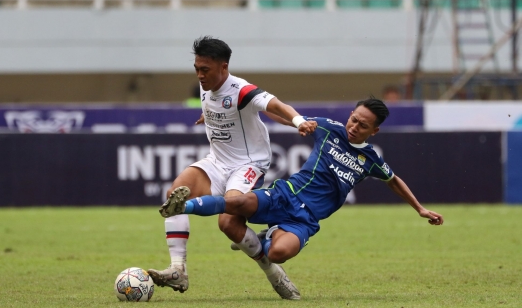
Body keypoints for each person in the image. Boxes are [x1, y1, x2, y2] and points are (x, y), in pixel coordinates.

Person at [159, 98, 444, 297]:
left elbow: (394, 181)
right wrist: (225, 117)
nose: (354, 127)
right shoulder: (329, 128)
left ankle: (266, 238)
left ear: (374, 131)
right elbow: (283, 116)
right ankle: (182, 206)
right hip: (286, 194)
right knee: (236, 206)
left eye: (362, 125)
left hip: (306, 219)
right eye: (353, 119)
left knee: (277, 253)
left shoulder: (371, 159)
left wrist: (419, 208)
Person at [148, 36, 317, 300]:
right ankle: (178, 268)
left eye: (206, 69)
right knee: (175, 193)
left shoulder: (242, 90)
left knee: (227, 223)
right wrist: (210, 114)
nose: (200, 75)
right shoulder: (206, 87)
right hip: (217, 161)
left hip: (247, 165)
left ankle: (273, 272)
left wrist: (297, 121)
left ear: (223, 67)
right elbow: (218, 104)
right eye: (197, 68)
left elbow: (274, 105)